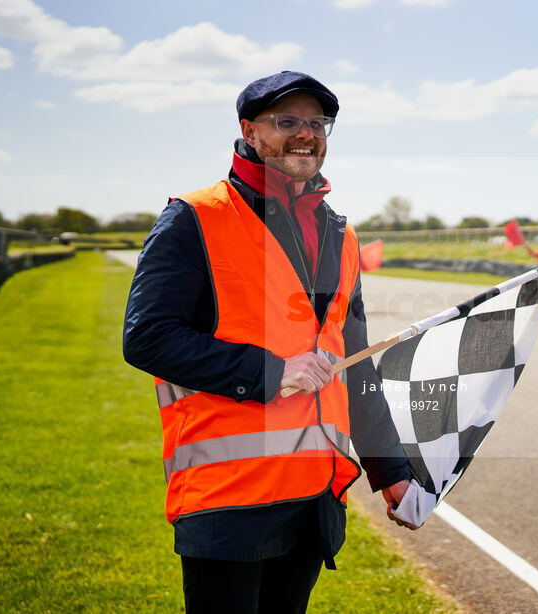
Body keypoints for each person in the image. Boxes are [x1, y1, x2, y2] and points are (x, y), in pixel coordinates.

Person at [122, 71, 416, 614]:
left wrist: (391, 470)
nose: (305, 134)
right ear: (249, 132)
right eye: (287, 121)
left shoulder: (340, 233)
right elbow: (147, 337)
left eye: (317, 122)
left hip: (313, 497)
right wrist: (273, 370)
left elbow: (357, 364)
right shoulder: (194, 218)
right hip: (229, 498)